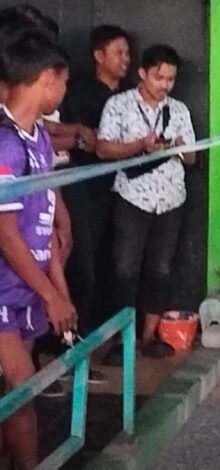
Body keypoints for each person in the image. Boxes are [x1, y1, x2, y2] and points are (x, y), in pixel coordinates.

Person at [0, 28, 76, 469]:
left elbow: (43, 227)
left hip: (26, 288)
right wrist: (52, 296)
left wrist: (57, 290)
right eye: (63, 82)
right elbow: (6, 234)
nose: (62, 91)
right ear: (48, 78)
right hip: (4, 289)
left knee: (14, 395)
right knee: (22, 389)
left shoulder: (40, 139)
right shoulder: (6, 142)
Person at [96, 44, 195, 363]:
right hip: (132, 197)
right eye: (158, 77)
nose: (164, 85)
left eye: (170, 79)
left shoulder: (179, 110)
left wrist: (180, 148)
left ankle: (150, 336)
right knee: (125, 269)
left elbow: (192, 157)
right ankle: (121, 340)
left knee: (160, 270)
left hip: (171, 200)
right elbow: (102, 149)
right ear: (142, 73)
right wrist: (140, 146)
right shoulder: (119, 105)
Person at [58, 25, 129, 374]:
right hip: (79, 192)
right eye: (119, 52)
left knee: (108, 267)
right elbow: (77, 140)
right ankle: (69, 347)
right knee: (80, 268)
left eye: (128, 53)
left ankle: (98, 338)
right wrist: (84, 138)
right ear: (99, 55)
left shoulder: (131, 95)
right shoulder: (79, 93)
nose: (125, 60)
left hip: (118, 192)